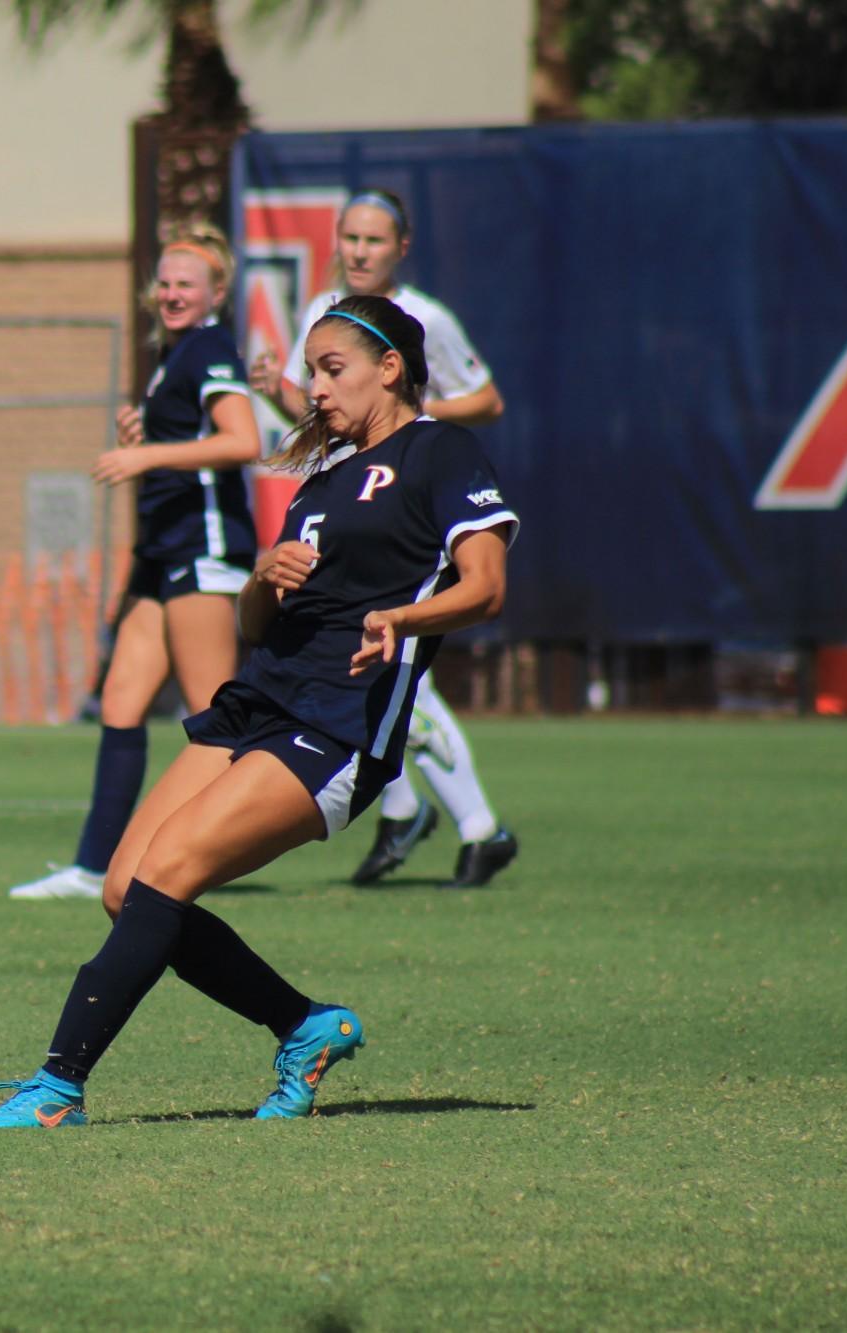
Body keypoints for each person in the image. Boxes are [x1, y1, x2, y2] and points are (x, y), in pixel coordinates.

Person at [0, 294, 519, 1127]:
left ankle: (60, 1084)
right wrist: (265, 576)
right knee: (127, 888)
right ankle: (304, 1027)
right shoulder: (323, 476)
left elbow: (485, 588)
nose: (314, 387)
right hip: (258, 699)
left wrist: (401, 619)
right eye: (310, 371)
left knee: (167, 874)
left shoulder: (441, 451)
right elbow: (252, 626)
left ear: (391, 367)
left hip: (341, 721)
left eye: (331, 369)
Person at [249, 187, 518, 889]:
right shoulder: (322, 314)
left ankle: (472, 824)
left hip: (398, 516)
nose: (359, 252)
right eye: (350, 239)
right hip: (341, 507)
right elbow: (322, 419)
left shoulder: (424, 319)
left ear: (401, 248)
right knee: (363, 670)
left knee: (391, 675)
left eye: (374, 240)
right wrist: (277, 392)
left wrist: (405, 423)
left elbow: (486, 399)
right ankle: (415, 813)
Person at [8, 226, 261, 903]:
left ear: (215, 294)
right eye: (167, 283)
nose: (173, 294)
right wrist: (146, 433)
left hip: (205, 548)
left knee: (217, 717)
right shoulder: (171, 354)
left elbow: (243, 439)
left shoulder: (210, 348)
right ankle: (94, 864)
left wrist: (145, 456)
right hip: (163, 551)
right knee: (121, 702)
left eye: (188, 284)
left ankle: (211, 852)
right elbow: (190, 436)